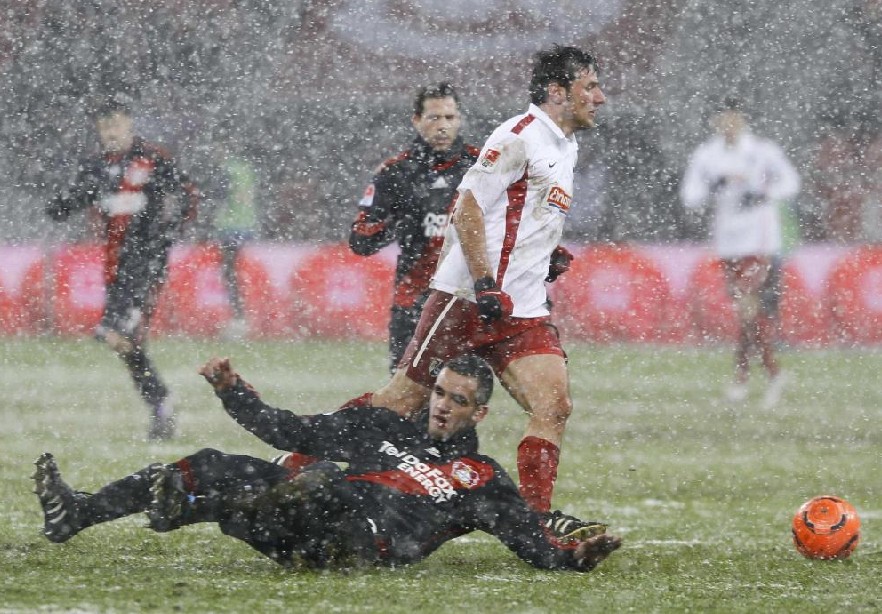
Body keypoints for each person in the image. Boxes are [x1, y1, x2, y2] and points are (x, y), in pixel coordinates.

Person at [33, 355, 621, 572]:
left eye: (457, 400)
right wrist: (234, 392)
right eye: (439, 392)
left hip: (359, 543)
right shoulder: (381, 421)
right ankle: (77, 512)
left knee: (322, 491)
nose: (441, 406)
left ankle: (191, 503)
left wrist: (576, 558)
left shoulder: (483, 479)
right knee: (218, 463)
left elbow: (534, 546)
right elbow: (290, 429)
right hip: (306, 510)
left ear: (481, 413)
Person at [366, 45, 599, 528]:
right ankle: (303, 460)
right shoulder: (519, 136)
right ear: (559, 92)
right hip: (470, 298)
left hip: (524, 308)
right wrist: (485, 281)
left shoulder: (566, 144)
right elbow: (468, 207)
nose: (599, 96)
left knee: (553, 406)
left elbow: (519, 216)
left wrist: (545, 252)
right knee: (399, 405)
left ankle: (535, 524)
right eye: (589, 87)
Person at [46, 97, 199, 439]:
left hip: (146, 265)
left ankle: (160, 403)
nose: (110, 132)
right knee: (123, 341)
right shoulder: (96, 167)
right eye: (104, 127)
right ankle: (161, 403)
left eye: (116, 124)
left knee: (116, 334)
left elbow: (188, 195)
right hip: (115, 266)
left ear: (129, 124)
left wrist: (167, 235)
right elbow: (74, 200)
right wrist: (59, 205)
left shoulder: (153, 158)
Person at [349, 82, 480, 372]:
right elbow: (359, 240)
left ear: (459, 119)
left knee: (463, 400)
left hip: (467, 300)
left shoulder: (481, 165)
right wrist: (400, 220)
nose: (442, 126)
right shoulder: (394, 173)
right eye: (434, 118)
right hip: (414, 303)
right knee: (407, 403)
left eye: (449, 118)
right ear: (417, 121)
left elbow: (513, 223)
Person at [680, 98, 800, 408]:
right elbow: (690, 196)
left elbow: (790, 182)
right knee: (747, 313)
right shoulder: (707, 155)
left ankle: (755, 377)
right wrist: (716, 184)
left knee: (749, 309)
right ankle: (761, 376)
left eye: (734, 119)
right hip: (728, 240)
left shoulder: (762, 151)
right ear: (715, 123)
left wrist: (763, 193)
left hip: (760, 239)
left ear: (744, 120)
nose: (729, 125)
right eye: (723, 119)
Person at [210, 149, 260, 340]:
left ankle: (239, 319)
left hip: (230, 225)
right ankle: (240, 318)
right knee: (233, 270)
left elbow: (219, 196)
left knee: (229, 270)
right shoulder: (245, 168)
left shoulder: (227, 169)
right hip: (246, 222)